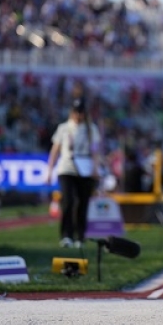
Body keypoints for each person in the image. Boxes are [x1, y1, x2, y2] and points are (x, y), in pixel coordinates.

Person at [46, 98, 102, 248]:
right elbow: (55, 150)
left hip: (85, 168)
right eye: (76, 112)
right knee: (68, 201)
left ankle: (80, 236)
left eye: (81, 112)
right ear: (72, 112)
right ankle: (66, 235)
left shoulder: (92, 129)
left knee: (83, 203)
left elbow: (95, 151)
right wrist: (49, 170)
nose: (78, 115)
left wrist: (96, 168)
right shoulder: (63, 128)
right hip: (67, 167)